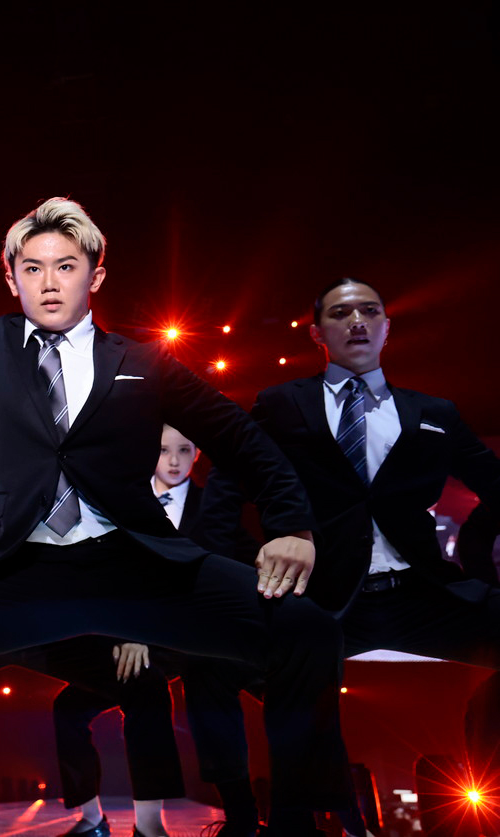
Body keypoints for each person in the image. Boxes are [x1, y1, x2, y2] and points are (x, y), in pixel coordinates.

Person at [0, 197, 352, 837]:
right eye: (32, 268)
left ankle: (295, 824)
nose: (48, 282)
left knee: (307, 629)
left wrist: (291, 525)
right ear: (11, 278)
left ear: (95, 276)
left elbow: (239, 436)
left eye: (66, 266)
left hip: (134, 564)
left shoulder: (142, 361)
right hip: (19, 568)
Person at [196, 277, 500, 831]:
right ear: (317, 333)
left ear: (387, 326)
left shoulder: (434, 411)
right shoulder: (283, 404)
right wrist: (241, 573)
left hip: (423, 592)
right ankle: (269, 819)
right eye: (341, 313)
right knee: (213, 661)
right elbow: (225, 491)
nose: (357, 321)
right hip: (323, 598)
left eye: (369, 311)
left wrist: (480, 563)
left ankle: (489, 785)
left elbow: (495, 486)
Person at [0, 421, 185, 837]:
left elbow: (107, 546)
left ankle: (147, 827)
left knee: (145, 684)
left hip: (44, 621)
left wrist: (129, 628)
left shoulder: (59, 470)